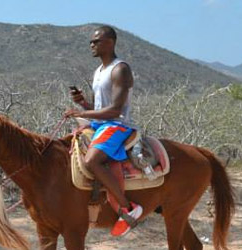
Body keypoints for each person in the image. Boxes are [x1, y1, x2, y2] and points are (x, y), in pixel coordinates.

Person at [64, 25, 143, 237]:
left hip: (118, 125)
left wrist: (82, 115)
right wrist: (83, 104)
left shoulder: (120, 69)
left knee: (91, 161)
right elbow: (99, 109)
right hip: (101, 123)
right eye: (91, 41)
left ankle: (128, 208)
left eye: (96, 41)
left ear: (110, 42)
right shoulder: (98, 71)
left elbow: (115, 110)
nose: (92, 45)